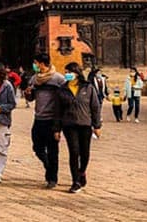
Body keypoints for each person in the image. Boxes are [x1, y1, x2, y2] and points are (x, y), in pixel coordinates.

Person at [54, 62, 102, 194]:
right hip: (69, 125)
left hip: (85, 124)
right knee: (74, 152)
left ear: (77, 73)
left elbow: (95, 107)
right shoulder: (62, 89)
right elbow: (57, 111)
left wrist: (97, 125)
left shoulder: (88, 88)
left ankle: (82, 172)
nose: (67, 74)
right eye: (66, 72)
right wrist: (56, 129)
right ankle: (75, 181)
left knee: (84, 152)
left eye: (70, 72)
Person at [25, 53, 66, 189]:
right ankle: (48, 166)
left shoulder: (58, 79)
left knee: (53, 150)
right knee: (37, 147)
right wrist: (28, 93)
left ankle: (52, 178)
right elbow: (31, 98)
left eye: (36, 63)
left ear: (42, 63)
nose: (34, 65)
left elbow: (65, 97)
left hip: (52, 119)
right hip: (39, 118)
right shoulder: (34, 79)